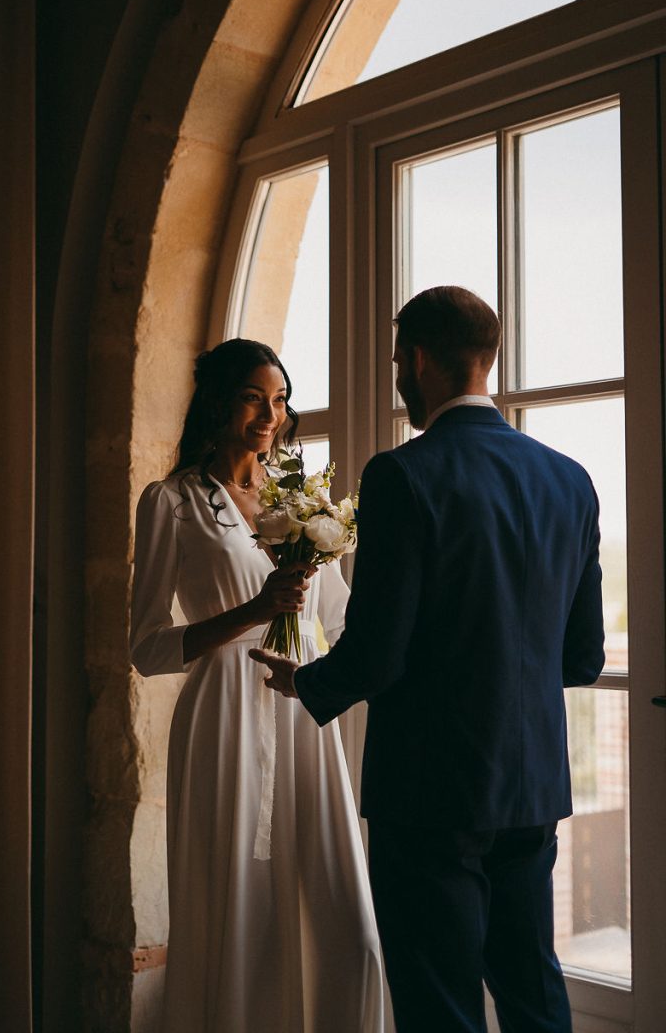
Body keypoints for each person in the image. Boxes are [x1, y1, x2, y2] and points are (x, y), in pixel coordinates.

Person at [252, 286, 605, 1033]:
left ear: (417, 361)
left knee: (439, 1006)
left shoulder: (403, 475)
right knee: (533, 990)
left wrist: (305, 681)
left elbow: (379, 653)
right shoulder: (570, 480)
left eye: (395, 362)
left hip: (428, 790)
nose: (397, 378)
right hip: (531, 784)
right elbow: (583, 657)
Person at [129, 338, 383, 1033]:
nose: (270, 414)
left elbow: (336, 617)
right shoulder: (172, 501)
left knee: (348, 925)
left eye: (279, 400)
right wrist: (253, 610)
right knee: (239, 908)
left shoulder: (302, 499)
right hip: (225, 716)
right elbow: (148, 647)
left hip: (304, 712)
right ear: (216, 402)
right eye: (251, 397)